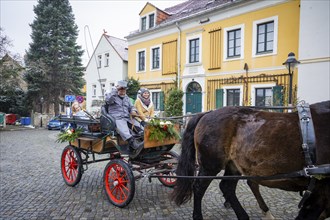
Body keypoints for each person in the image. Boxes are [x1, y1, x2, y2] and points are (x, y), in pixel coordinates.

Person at [105, 80, 144, 155]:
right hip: (116, 118)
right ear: (117, 89)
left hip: (127, 117)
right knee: (123, 128)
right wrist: (115, 90)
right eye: (121, 89)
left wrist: (133, 111)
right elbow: (108, 100)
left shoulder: (127, 98)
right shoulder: (112, 96)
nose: (123, 91)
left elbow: (132, 106)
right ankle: (132, 142)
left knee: (138, 126)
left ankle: (142, 138)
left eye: (124, 89)